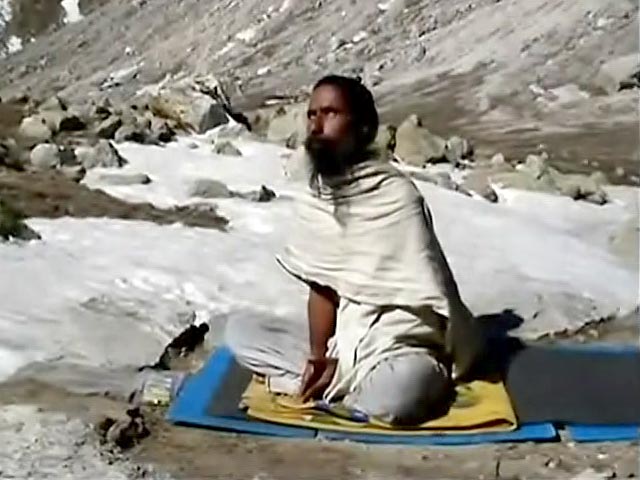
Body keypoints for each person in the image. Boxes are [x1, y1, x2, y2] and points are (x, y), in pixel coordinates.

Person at [226, 75, 484, 426]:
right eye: (312, 114)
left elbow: (427, 295)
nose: (317, 125)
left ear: (363, 128)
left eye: (330, 113)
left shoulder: (396, 196)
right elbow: (322, 287)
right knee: (241, 331)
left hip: (399, 343)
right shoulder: (318, 196)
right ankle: (335, 383)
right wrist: (319, 356)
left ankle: (346, 389)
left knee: (400, 391)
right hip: (342, 340)